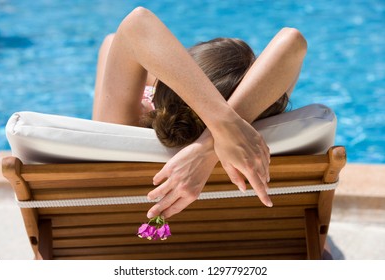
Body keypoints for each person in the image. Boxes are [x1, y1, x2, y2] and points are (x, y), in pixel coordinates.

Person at [93, 7, 307, 219]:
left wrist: (218, 129)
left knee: (113, 42)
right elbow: (292, 41)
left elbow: (133, 26)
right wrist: (213, 139)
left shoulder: (123, 126)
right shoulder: (260, 116)